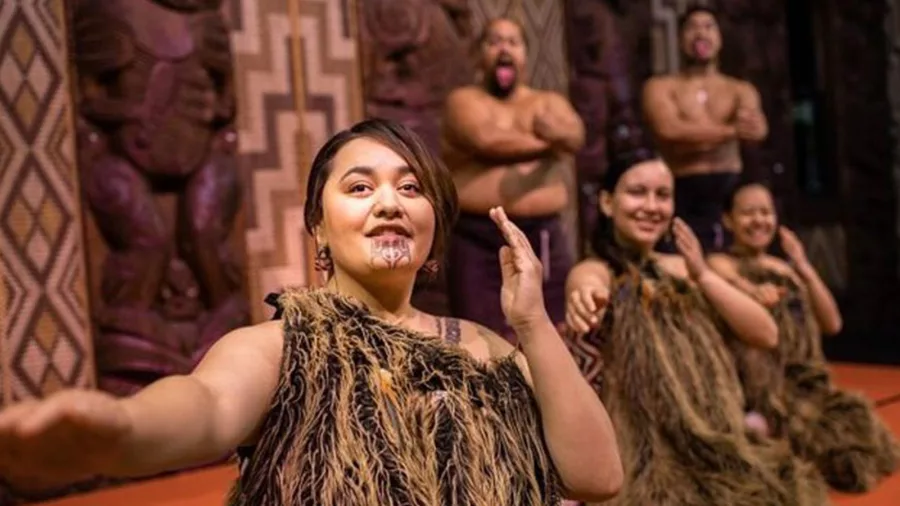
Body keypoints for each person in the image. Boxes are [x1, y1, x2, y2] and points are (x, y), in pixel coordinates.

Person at [0, 119, 623, 505]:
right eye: (359, 187)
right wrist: (120, 432)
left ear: (435, 226)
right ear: (318, 228)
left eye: (411, 188)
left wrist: (533, 325)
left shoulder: (486, 346)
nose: (389, 202)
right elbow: (206, 407)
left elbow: (598, 477)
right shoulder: (284, 344)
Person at [563, 149, 828, 505]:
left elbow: (765, 332)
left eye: (663, 195)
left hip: (711, 433)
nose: (651, 205)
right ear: (608, 203)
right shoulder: (600, 269)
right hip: (647, 444)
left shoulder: (687, 267)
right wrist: (584, 294)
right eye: (637, 192)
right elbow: (585, 281)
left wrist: (703, 274)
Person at [707, 181, 899, 493]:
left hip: (804, 383)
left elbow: (832, 323)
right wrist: (752, 290)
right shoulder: (721, 263)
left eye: (766, 212)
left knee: (857, 440)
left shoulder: (786, 270)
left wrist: (804, 266)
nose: (759, 220)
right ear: (728, 220)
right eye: (748, 213)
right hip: (760, 387)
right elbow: (723, 276)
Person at [441, 17, 585, 341]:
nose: (503, 48)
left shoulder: (546, 101)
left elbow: (575, 135)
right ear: (480, 55)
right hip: (477, 238)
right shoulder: (464, 101)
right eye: (494, 42)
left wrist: (559, 136)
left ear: (524, 55)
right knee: (483, 339)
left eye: (513, 42)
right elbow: (486, 140)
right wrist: (547, 142)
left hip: (542, 235)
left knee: (555, 333)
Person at [642, 5, 767, 252]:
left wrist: (754, 129)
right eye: (692, 28)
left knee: (732, 264)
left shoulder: (739, 89)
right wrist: (731, 131)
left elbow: (756, 131)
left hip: (728, 187)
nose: (701, 34)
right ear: (678, 39)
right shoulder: (660, 87)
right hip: (681, 185)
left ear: (719, 38)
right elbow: (669, 130)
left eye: (709, 27)